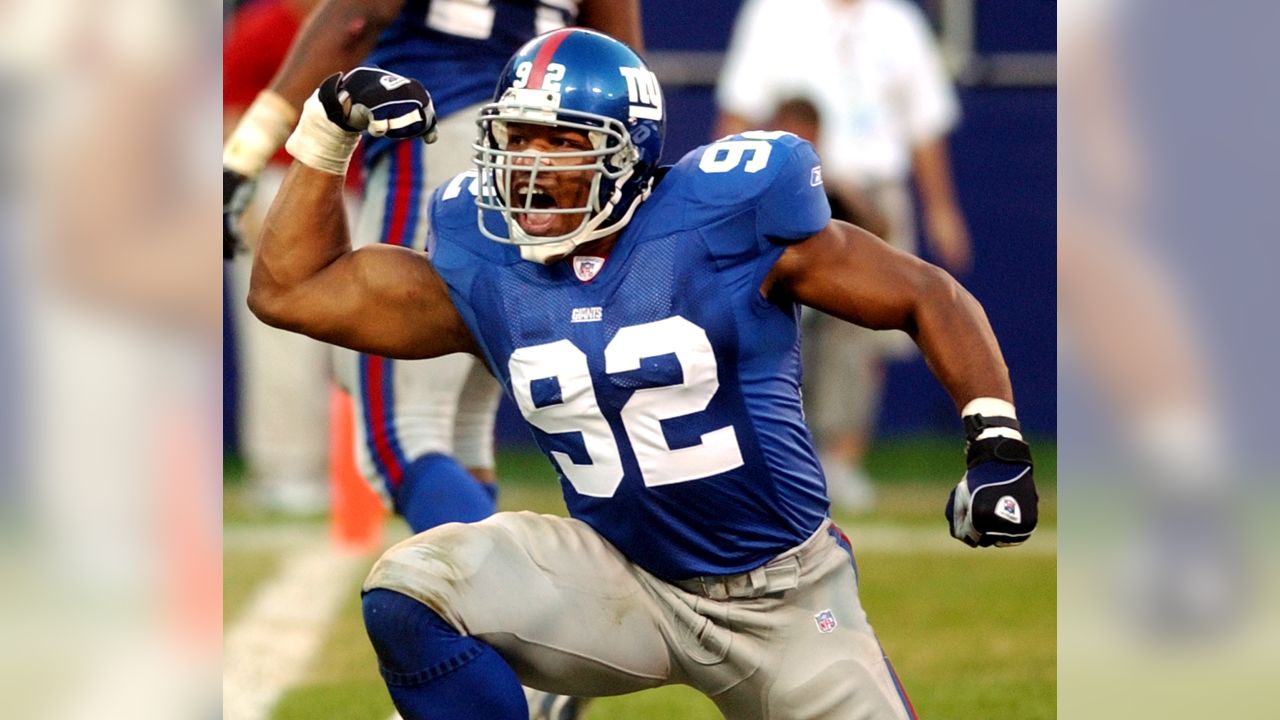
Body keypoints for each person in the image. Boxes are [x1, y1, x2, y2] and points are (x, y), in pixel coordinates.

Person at [249, 29, 1039, 720]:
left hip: (783, 597)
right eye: (517, 138)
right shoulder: (487, 261)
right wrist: (325, 133)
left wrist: (995, 439)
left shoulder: (721, 222)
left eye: (558, 143)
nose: (527, 164)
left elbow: (923, 293)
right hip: (615, 576)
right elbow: (291, 289)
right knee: (411, 591)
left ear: (625, 151)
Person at [224, 0, 641, 535]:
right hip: (542, 150)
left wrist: (247, 148)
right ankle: (488, 603)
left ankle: (494, 596)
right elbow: (621, 55)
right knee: (459, 424)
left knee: (400, 434)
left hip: (437, 124)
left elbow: (358, 15)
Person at [716, 0, 973, 509]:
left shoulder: (900, 22)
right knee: (766, 323)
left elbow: (924, 125)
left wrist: (941, 207)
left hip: (873, 192)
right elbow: (739, 108)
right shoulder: (773, 13)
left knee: (873, 327)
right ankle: (773, 456)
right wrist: (721, 196)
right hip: (784, 191)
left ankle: (841, 462)